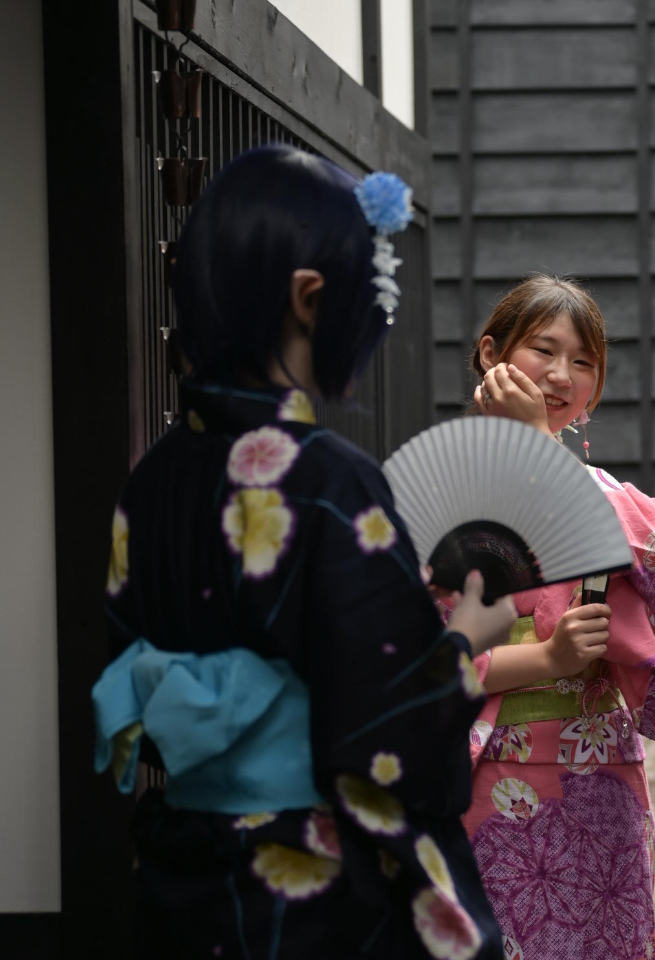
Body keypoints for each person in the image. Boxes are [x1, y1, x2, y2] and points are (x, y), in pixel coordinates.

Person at [92, 145, 517, 959]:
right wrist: (464, 639)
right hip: (310, 885)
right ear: (310, 298)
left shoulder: (149, 483)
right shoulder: (325, 479)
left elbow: (132, 682)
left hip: (181, 869)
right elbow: (382, 732)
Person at [459, 275, 655, 960]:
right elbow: (413, 658)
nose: (563, 375)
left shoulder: (614, 500)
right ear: (491, 353)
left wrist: (540, 449)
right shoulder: (447, 493)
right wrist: (547, 660)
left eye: (584, 360)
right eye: (543, 350)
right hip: (487, 769)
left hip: (598, 769)